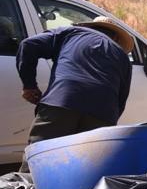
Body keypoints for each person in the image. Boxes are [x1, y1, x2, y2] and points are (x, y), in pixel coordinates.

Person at [17, 16, 134, 170]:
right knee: (86, 168)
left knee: (39, 159)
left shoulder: (71, 33)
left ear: (91, 27)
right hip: (103, 112)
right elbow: (121, 99)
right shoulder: (122, 56)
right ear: (116, 37)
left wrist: (29, 86)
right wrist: (106, 125)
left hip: (63, 100)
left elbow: (28, 44)